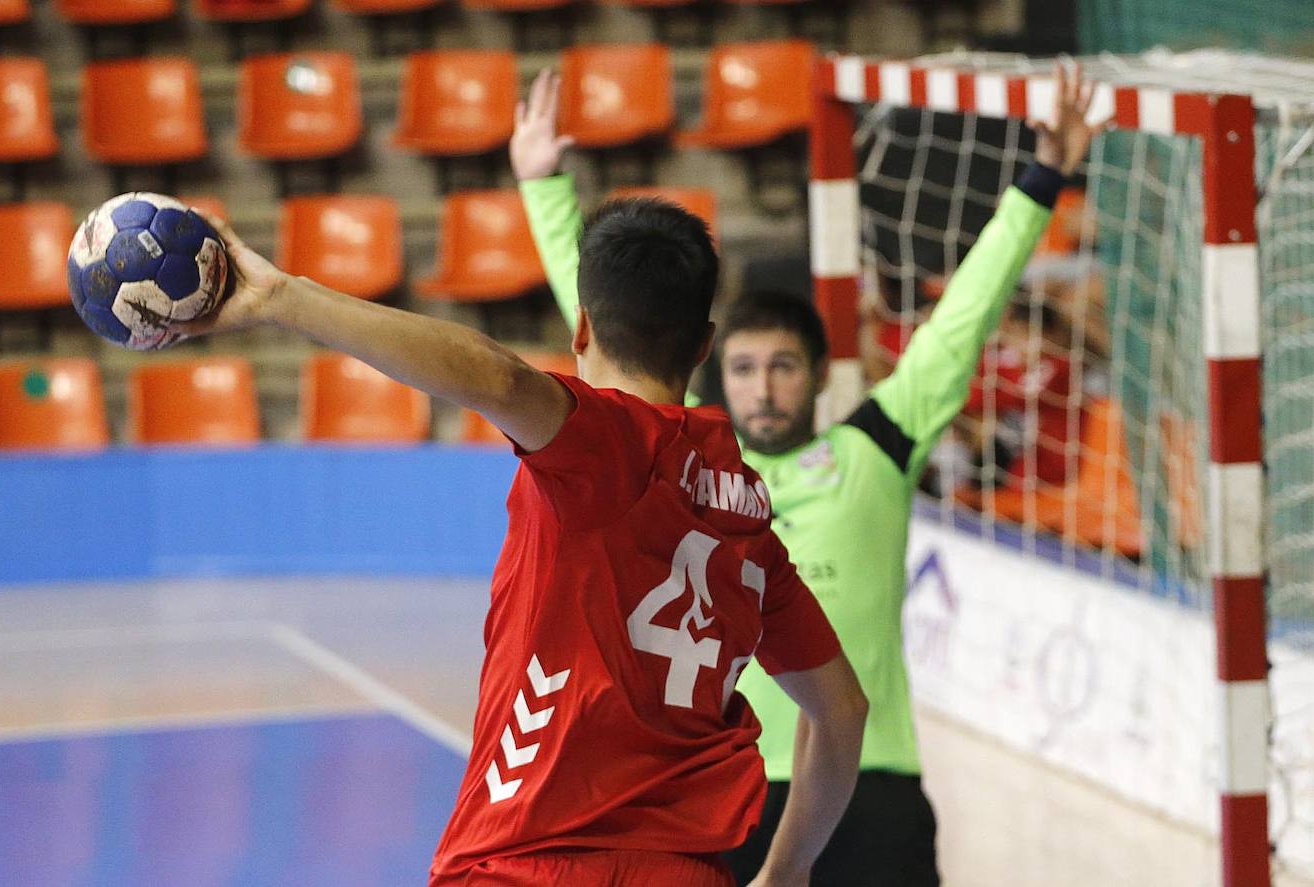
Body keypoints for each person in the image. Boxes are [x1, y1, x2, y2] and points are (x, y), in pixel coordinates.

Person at [512, 60, 1105, 885]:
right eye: (747, 368)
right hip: (732, 791)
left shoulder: (876, 448)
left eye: (785, 366)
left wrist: (1043, 178)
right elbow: (608, 326)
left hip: (874, 782)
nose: (764, 385)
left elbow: (965, 312)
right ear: (714, 362)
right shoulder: (679, 468)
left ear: (822, 374)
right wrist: (542, 185)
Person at [171, 191, 868, 884]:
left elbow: (499, 378)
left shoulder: (606, 446)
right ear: (706, 344)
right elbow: (840, 709)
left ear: (583, 329)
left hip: (529, 861)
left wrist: (280, 298)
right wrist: (787, 870)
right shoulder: (746, 519)